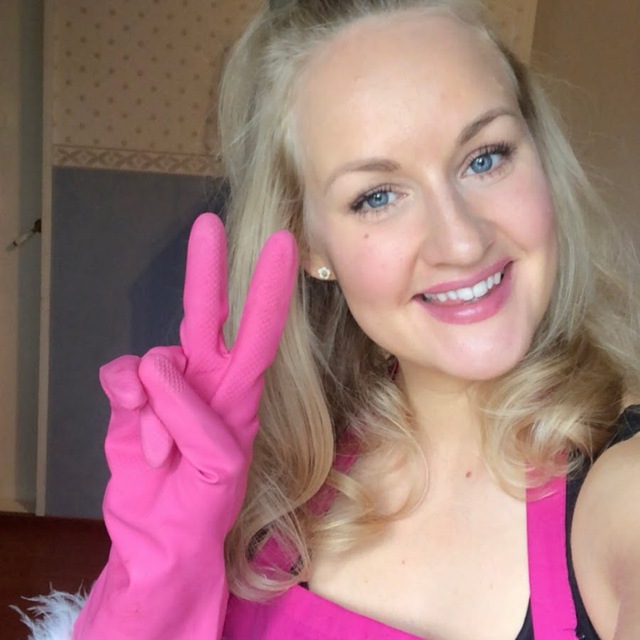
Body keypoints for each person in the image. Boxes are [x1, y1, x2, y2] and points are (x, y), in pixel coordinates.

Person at [19, 0, 640, 638]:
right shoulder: (279, 482)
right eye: (377, 196)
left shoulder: (623, 488)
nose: (461, 241)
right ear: (310, 243)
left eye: (485, 157)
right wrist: (156, 579)